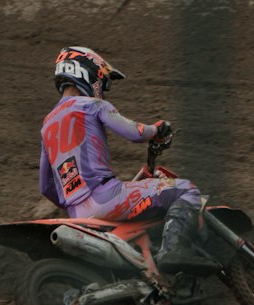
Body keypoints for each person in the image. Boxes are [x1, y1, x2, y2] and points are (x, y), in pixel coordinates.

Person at [40, 47, 202, 273]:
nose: (103, 91)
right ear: (86, 73)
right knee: (186, 189)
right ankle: (173, 252)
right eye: (102, 82)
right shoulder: (93, 105)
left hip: (78, 215)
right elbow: (134, 133)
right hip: (107, 198)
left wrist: (75, 202)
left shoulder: (47, 124)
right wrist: (156, 129)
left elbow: (46, 186)